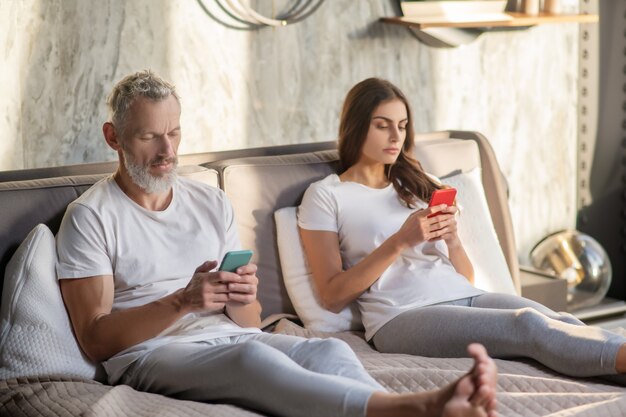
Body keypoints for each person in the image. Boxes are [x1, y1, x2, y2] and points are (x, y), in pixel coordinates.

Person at [56, 70, 498, 417]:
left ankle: (387, 407)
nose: (167, 150)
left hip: (226, 337)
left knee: (325, 349)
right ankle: (413, 409)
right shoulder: (91, 216)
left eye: (173, 133)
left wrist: (240, 297)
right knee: (251, 362)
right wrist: (182, 302)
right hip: (150, 354)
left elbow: (249, 323)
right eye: (149, 136)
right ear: (113, 136)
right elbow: (95, 341)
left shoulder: (209, 202)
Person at [298, 77, 626, 383]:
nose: (396, 137)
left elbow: (465, 278)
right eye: (382, 126)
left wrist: (452, 240)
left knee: (561, 321)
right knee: (528, 325)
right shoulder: (327, 195)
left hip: (463, 296)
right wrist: (400, 241)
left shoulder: (414, 184)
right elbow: (332, 295)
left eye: (402, 126)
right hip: (402, 317)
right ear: (355, 127)